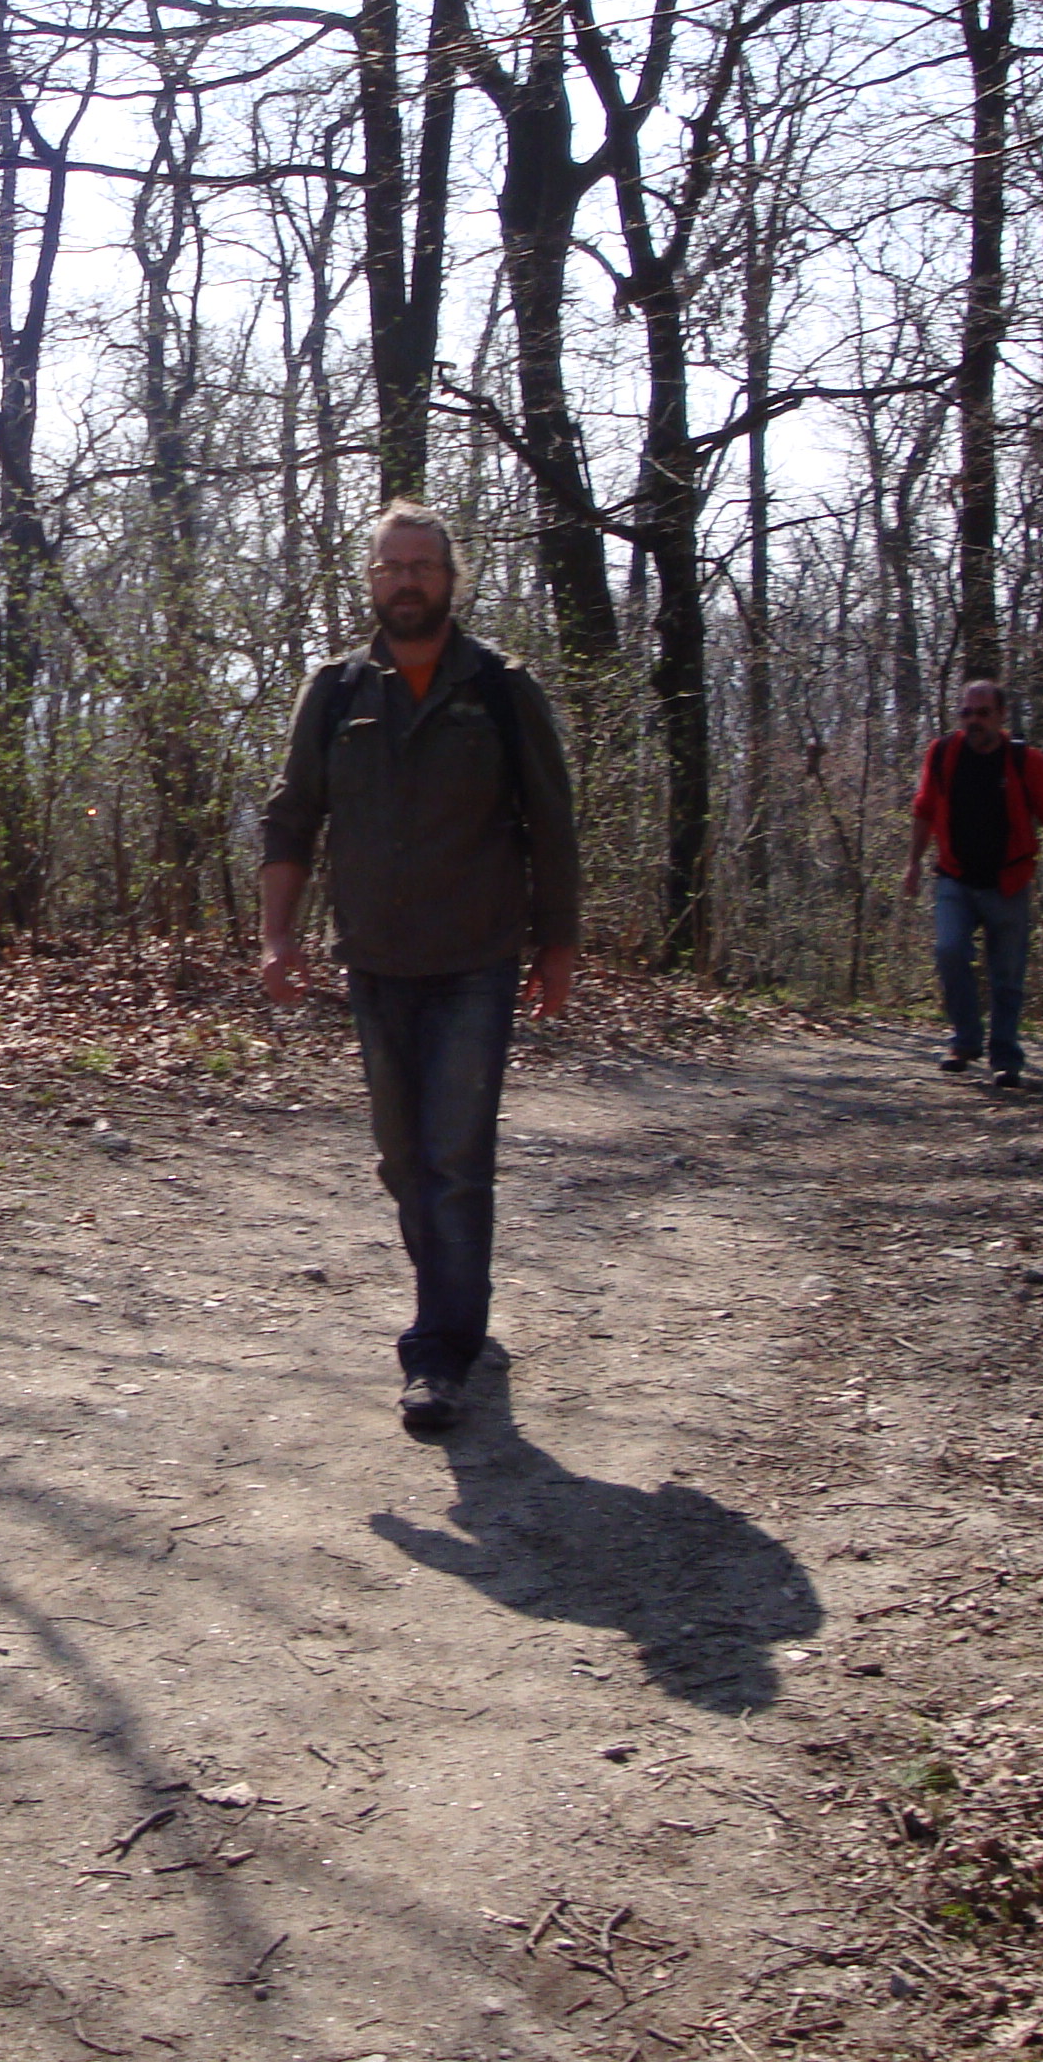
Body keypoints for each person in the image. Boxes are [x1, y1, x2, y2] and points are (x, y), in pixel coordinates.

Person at [257, 502, 581, 1437]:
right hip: (376, 959)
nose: (407, 580)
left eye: (423, 566)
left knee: (455, 1157)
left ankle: (441, 1350)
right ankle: (454, 1291)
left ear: (451, 578)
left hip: (477, 957)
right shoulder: (337, 691)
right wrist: (277, 936)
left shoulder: (501, 688)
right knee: (405, 1159)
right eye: (392, 566)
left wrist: (557, 946)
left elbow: (550, 822)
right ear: (372, 580)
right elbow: (291, 816)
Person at [906, 679, 1043, 1091]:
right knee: (948, 951)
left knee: (1007, 975)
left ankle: (1005, 1057)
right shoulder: (943, 753)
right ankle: (964, 1040)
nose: (973, 721)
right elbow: (924, 809)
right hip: (955, 875)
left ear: (1001, 716)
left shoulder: (1026, 761)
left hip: (1008, 880)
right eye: (966, 713)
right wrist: (912, 864)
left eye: (982, 713)